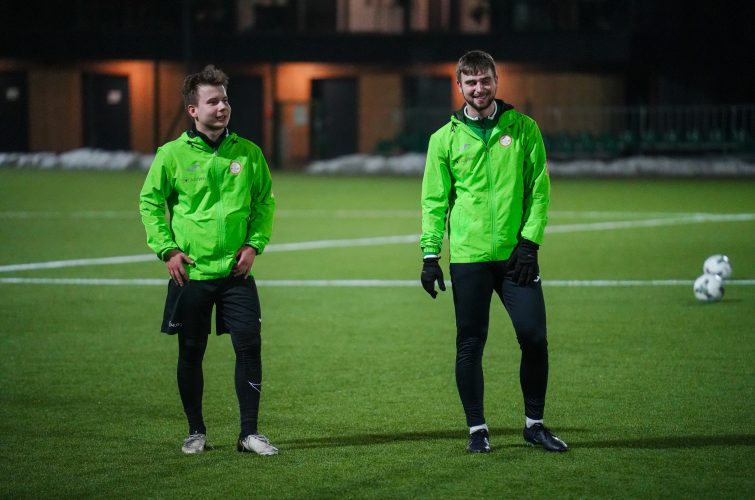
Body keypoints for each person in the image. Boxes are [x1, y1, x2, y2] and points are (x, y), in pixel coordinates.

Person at [420, 50, 567, 453]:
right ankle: (477, 431)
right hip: (469, 257)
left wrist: (530, 243)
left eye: (485, 80)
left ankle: (534, 426)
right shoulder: (443, 139)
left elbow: (539, 189)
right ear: (459, 86)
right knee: (470, 343)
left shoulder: (523, 129)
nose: (479, 88)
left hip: (516, 256)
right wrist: (430, 256)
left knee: (534, 337)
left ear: (496, 81)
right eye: (470, 82)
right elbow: (434, 202)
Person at [139, 65, 277, 455]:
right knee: (191, 351)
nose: (222, 107)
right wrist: (167, 249)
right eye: (213, 101)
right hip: (192, 274)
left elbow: (264, 204)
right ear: (193, 110)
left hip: (236, 272)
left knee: (249, 347)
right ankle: (196, 431)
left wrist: (253, 245)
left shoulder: (248, 153)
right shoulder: (172, 155)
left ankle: (249, 434)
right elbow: (150, 204)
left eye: (225, 100)